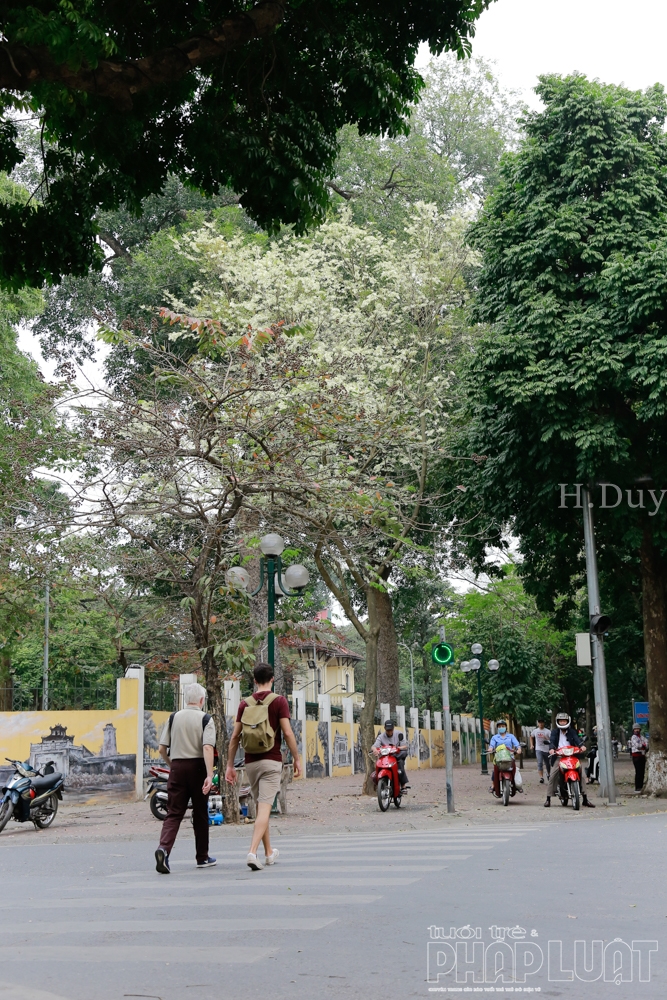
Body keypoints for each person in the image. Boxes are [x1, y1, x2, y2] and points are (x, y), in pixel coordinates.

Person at [226, 662, 301, 871]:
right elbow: (287, 732)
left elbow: (234, 737)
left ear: (254, 680)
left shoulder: (244, 704)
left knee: (262, 808)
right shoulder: (279, 701)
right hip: (271, 761)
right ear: (272, 679)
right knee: (265, 808)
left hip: (251, 762)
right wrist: (296, 758)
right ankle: (252, 852)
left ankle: (269, 853)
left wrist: (230, 765)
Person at [155, 682, 217, 874]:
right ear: (201, 700)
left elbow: (161, 748)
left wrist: (172, 763)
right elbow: (207, 747)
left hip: (178, 767)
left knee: (174, 812)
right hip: (198, 767)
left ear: (185, 699)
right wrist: (209, 774)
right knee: (200, 813)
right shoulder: (206, 719)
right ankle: (202, 856)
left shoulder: (173, 717)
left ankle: (163, 849)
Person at [544, 711, 594, 808]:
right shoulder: (554, 732)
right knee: (552, 776)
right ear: (558, 721)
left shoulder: (572, 731)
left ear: (568, 721)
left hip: (572, 756)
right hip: (559, 756)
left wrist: (582, 746)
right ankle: (548, 799)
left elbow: (577, 740)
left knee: (582, 775)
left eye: (564, 720)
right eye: (561, 721)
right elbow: (552, 741)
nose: (563, 722)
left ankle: (585, 799)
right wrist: (551, 749)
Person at [372, 720, 409, 788]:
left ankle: (403, 785)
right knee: (378, 763)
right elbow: (374, 746)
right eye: (387, 730)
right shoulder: (381, 736)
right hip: (385, 757)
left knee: (400, 764)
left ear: (393, 728)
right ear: (384, 728)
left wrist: (397, 748)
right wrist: (375, 750)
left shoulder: (399, 734)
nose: (389, 732)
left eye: (391, 730)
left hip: (397, 756)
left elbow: (405, 746)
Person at [489, 721, 522, 797]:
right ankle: (493, 785)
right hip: (499, 758)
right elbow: (492, 745)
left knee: (514, 770)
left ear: (506, 727)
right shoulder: (494, 737)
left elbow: (517, 744)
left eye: (503, 726)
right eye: (499, 726)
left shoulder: (511, 736)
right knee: (495, 770)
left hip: (510, 757)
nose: (501, 728)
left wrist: (519, 749)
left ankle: (517, 785)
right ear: (497, 728)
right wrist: (491, 749)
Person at [530, 719, 552, 784]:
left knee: (547, 764)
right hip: (538, 749)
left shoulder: (547, 731)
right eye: (539, 723)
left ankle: (548, 774)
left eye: (542, 722)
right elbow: (531, 737)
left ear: (544, 723)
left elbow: (552, 740)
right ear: (538, 723)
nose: (541, 724)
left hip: (546, 749)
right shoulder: (535, 731)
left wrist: (546, 738)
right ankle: (541, 777)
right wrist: (532, 745)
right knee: (540, 763)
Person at [630, 724, 648, 792]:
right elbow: (637, 745)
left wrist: (644, 746)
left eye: (638, 729)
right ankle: (637, 787)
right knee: (638, 772)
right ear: (633, 730)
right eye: (635, 729)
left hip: (642, 756)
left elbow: (647, 743)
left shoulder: (642, 737)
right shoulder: (633, 737)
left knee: (642, 772)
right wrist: (643, 745)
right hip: (636, 756)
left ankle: (641, 786)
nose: (637, 730)